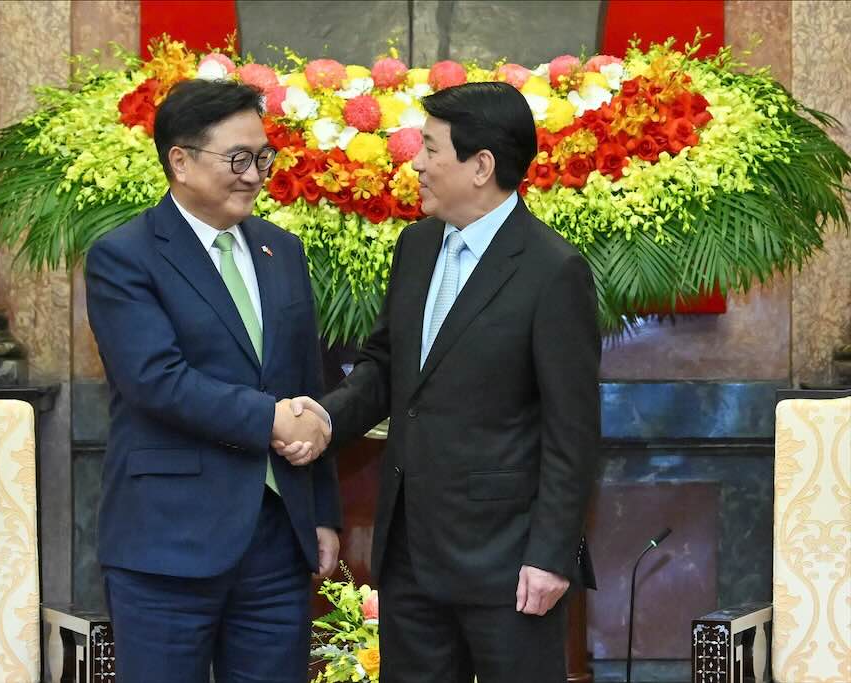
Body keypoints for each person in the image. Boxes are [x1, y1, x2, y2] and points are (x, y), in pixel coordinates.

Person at [277, 82, 601, 682]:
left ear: (481, 166)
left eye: (430, 149)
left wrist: (551, 556)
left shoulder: (553, 271)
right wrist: (325, 419)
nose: (416, 163)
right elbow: (384, 367)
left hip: (508, 563)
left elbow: (572, 430)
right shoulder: (417, 246)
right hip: (410, 554)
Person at [85, 78, 340, 683]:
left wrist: (322, 510)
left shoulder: (283, 250)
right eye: (238, 159)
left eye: (262, 158)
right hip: (167, 544)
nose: (254, 174)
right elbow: (156, 379)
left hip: (276, 540)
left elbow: (308, 383)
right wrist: (269, 419)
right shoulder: (126, 255)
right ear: (180, 160)